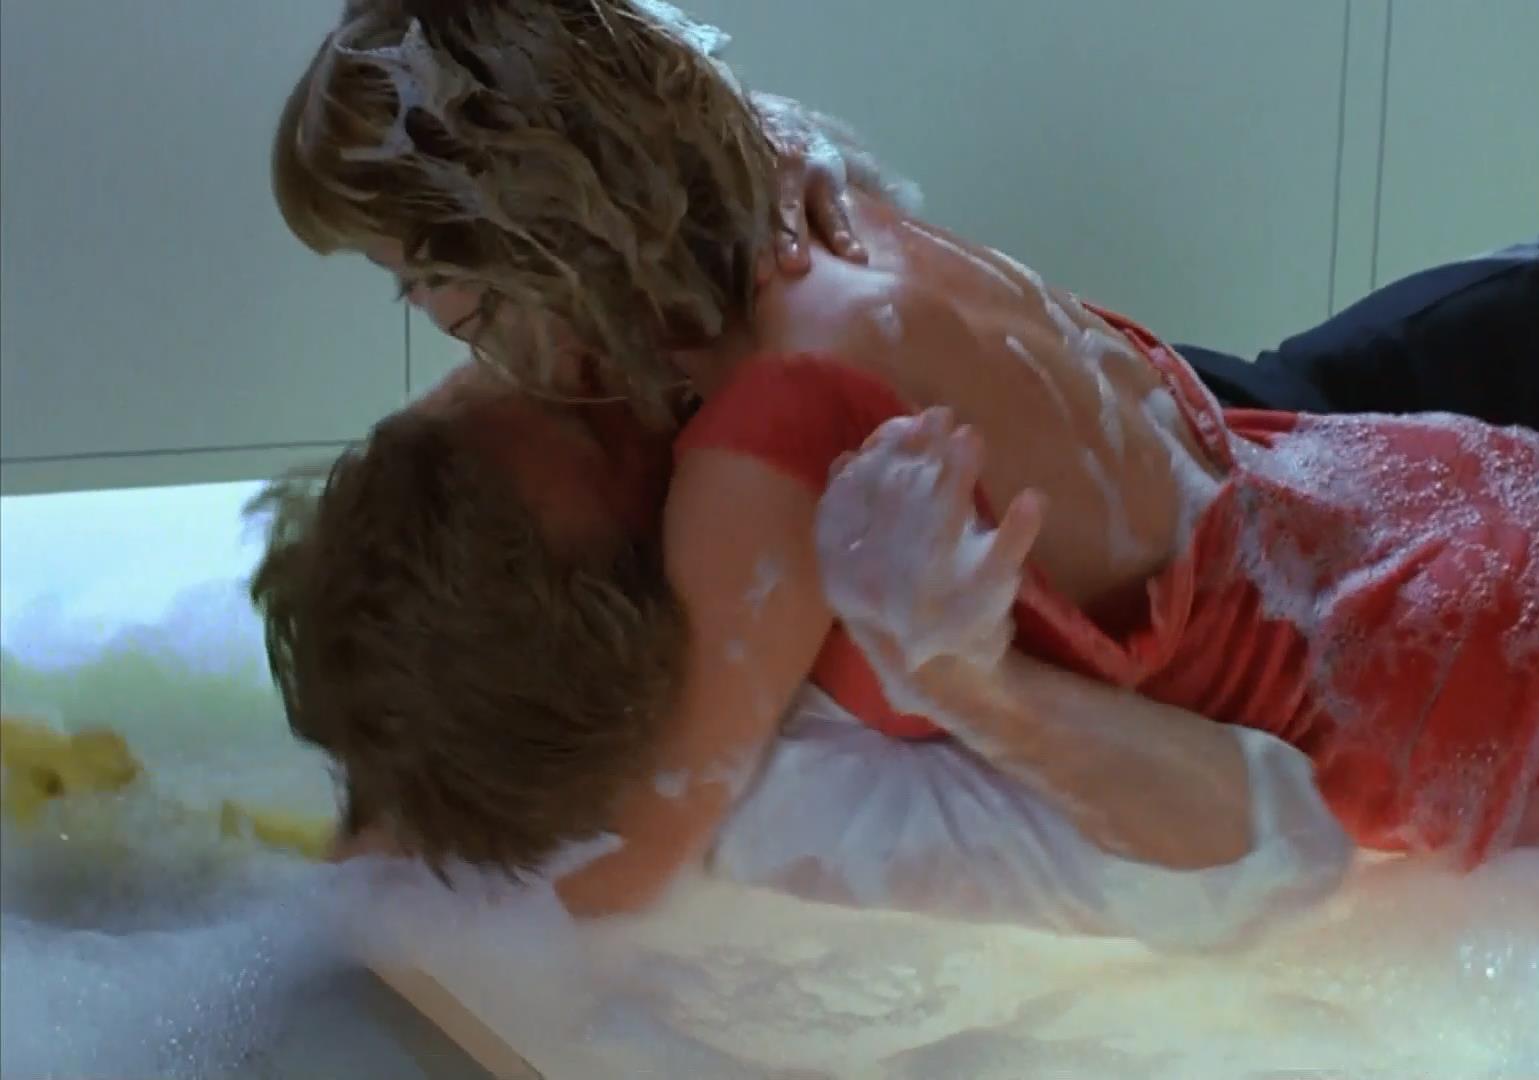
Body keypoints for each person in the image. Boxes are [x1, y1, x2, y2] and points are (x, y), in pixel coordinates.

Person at [270, 0, 1539, 957]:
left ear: (545, 248)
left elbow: (647, 840)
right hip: (1425, 495)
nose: (437, 328)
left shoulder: (747, 466)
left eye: (439, 287)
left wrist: (391, 862)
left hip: (1466, 690)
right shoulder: (783, 186)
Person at [253, 366, 1354, 948]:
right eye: (599, 432)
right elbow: (1280, 854)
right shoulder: (777, 793)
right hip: (1348, 562)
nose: (593, 366)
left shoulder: (551, 447)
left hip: (1232, 427)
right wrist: (983, 693)